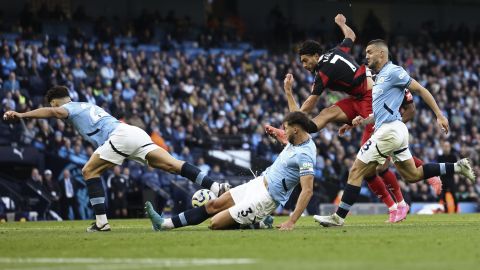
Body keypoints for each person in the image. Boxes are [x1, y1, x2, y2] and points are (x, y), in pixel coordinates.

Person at [266, 14, 427, 222]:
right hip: (357, 98)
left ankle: (398, 205)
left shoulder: (323, 72)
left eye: (306, 61)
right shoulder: (336, 51)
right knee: (325, 116)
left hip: (370, 100)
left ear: (316, 55)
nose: (305, 65)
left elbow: (308, 105)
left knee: (367, 166)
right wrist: (342, 24)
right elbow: (351, 35)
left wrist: (289, 99)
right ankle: (291, 132)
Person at [3, 85, 229, 232]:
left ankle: (101, 222)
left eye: (52, 106)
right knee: (173, 165)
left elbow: (54, 113)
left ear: (56, 102)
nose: (55, 112)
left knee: (89, 172)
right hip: (133, 132)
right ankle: (215, 186)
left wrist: (22, 114)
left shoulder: (67, 108)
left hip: (119, 136)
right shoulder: (87, 104)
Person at [313, 39, 475, 227]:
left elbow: (421, 90)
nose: (366, 56)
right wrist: (358, 121)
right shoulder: (379, 78)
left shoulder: (394, 71)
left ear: (382, 54)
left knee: (357, 171)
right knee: (412, 175)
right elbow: (382, 112)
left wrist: (439, 115)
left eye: (370, 52)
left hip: (389, 131)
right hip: (393, 129)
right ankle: (458, 167)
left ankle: (338, 217)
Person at [145, 111, 316, 231]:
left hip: (266, 199)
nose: (284, 132)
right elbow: (289, 140)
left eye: (286, 128)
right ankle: (164, 224)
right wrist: (279, 133)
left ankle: (257, 223)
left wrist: (291, 221)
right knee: (213, 205)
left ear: (296, 129)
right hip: (257, 183)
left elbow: (307, 190)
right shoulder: (296, 141)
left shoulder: (305, 155)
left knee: (215, 223)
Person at [339, 88, 442, 222]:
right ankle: (394, 207)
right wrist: (351, 123)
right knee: (368, 171)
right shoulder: (369, 83)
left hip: (387, 130)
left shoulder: (396, 81)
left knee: (382, 167)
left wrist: (395, 126)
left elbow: (411, 110)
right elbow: (362, 108)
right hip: (371, 128)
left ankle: (400, 204)